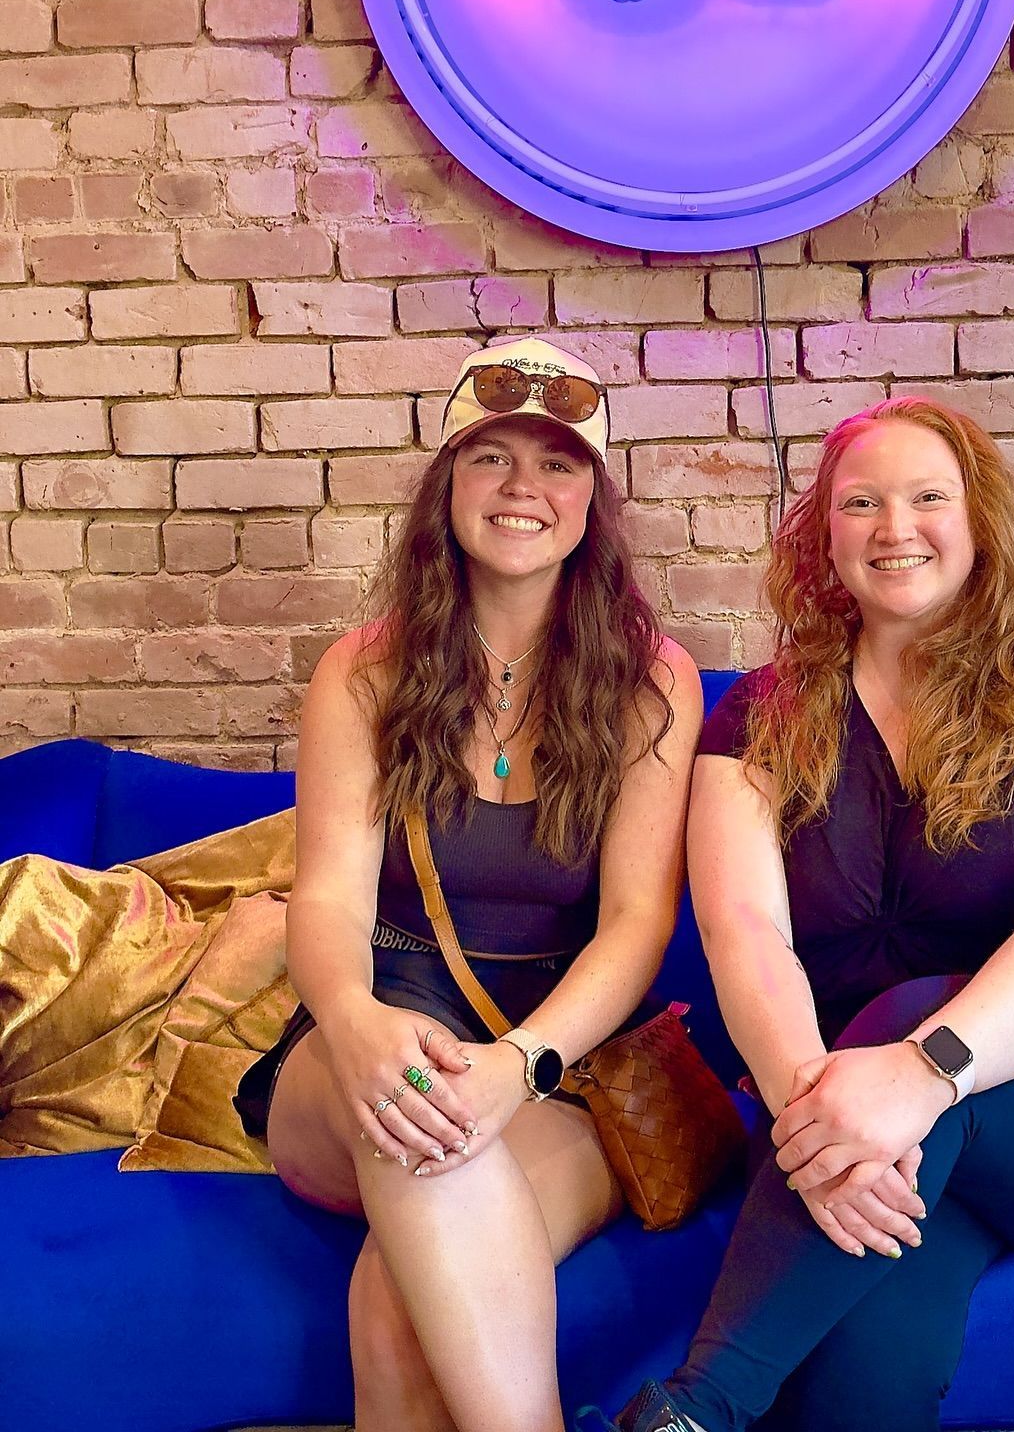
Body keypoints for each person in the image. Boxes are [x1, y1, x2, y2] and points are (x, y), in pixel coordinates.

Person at [592, 396, 1014, 1432]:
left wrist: (920, 1071)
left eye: (926, 497)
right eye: (859, 502)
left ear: (979, 522)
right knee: (859, 1371)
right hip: (863, 1128)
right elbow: (745, 936)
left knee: (910, 1006)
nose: (892, 526)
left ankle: (696, 1409)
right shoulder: (758, 718)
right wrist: (812, 1123)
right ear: (824, 536)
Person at [234, 337, 702, 1432]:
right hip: (367, 1039)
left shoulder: (651, 682)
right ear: (446, 487)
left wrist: (517, 1065)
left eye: (558, 463)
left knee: (402, 1302)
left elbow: (638, 923)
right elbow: (334, 900)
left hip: (558, 1060)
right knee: (410, 1107)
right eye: (490, 457)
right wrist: (350, 1020)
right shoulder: (365, 671)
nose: (524, 489)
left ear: (595, 501)